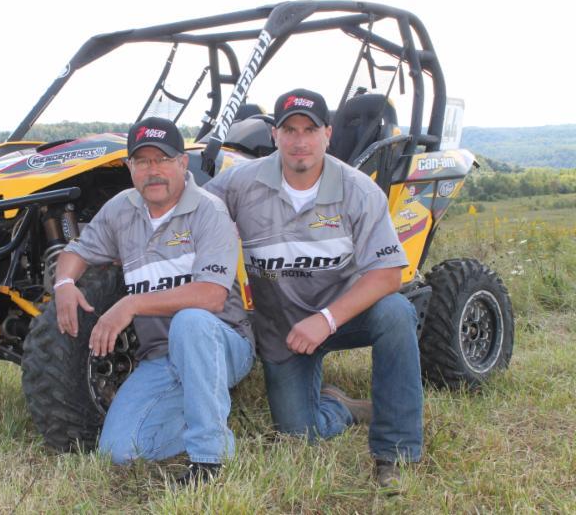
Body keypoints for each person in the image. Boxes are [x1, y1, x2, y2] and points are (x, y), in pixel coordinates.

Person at [204, 88, 423, 488]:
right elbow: (190, 216)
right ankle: (338, 406)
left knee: (396, 313)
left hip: (345, 315)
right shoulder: (238, 185)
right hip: (282, 330)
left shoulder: (357, 189)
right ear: (275, 135)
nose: (299, 140)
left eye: (309, 129)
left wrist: (325, 320)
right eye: (289, 130)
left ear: (327, 133)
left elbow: (390, 273)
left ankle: (396, 453)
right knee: (297, 434)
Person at [53, 116, 255, 485]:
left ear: (182, 163)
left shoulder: (209, 211)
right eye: (143, 161)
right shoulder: (121, 209)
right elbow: (77, 249)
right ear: (130, 167)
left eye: (162, 159)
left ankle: (209, 459)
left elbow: (211, 296)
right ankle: (207, 415)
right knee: (119, 449)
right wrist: (64, 282)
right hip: (160, 357)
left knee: (190, 321)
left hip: (221, 342)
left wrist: (131, 303)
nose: (153, 170)